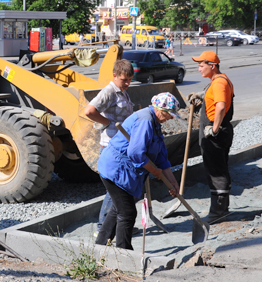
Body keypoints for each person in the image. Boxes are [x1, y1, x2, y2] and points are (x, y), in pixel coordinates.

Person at [95, 92, 180, 250]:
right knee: (127, 213)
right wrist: (154, 170)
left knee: (118, 208)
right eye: (170, 115)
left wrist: (172, 182)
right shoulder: (145, 120)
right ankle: (124, 252)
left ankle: (100, 245)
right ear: (161, 110)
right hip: (115, 169)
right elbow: (135, 153)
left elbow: (161, 157)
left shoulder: (155, 124)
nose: (171, 118)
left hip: (124, 172)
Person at [84, 60, 135, 234]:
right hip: (110, 147)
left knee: (121, 187)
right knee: (114, 190)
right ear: (115, 75)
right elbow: (89, 111)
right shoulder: (109, 91)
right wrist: (107, 123)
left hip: (121, 147)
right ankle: (102, 229)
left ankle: (119, 225)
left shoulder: (122, 92)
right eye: (124, 80)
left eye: (129, 80)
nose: (127, 83)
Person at [188, 51, 234, 224]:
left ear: (212, 66)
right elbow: (215, 96)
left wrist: (214, 129)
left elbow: (221, 106)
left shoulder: (219, 83)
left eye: (201, 65)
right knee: (219, 168)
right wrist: (201, 95)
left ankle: (217, 212)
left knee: (216, 172)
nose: (199, 69)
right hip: (221, 132)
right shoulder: (218, 80)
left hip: (216, 135)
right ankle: (223, 209)